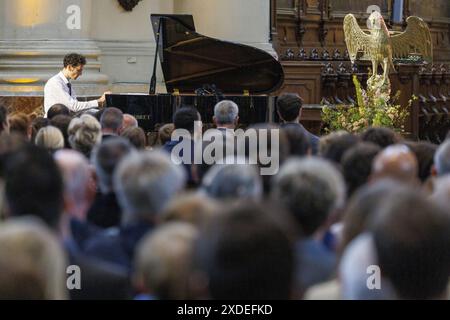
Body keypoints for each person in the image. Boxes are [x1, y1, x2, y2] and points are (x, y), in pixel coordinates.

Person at [44, 53, 111, 117]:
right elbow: (74, 107)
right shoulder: (55, 83)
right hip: (54, 124)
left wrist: (101, 112)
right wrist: (98, 102)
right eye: (78, 70)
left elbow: (76, 109)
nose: (81, 74)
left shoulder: (66, 83)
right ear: (70, 67)